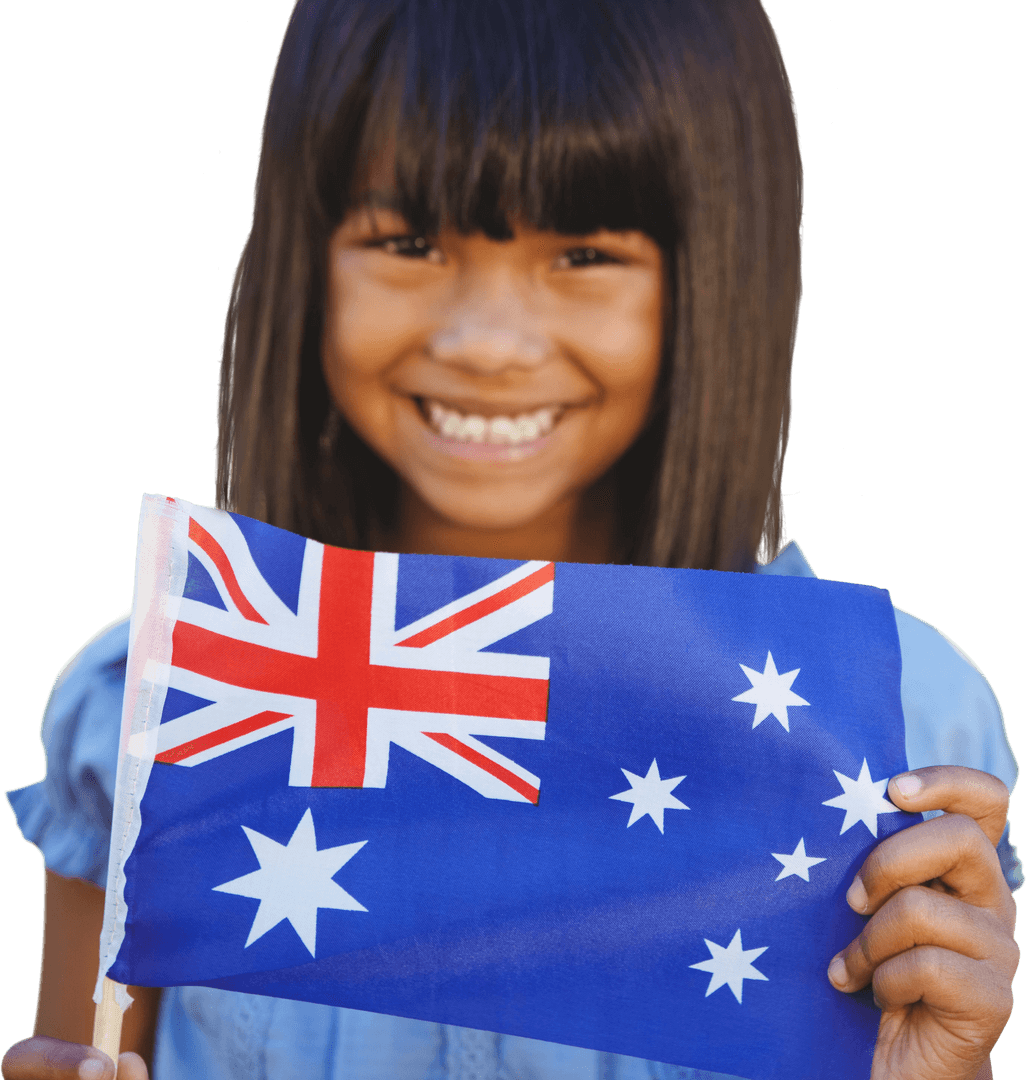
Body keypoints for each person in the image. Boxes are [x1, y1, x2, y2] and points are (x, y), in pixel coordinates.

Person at [2, 1, 1019, 1078]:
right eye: (407, 242)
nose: (487, 343)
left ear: (712, 270)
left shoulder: (901, 729)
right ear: (305, 257)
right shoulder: (166, 689)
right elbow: (91, 1039)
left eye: (583, 252)